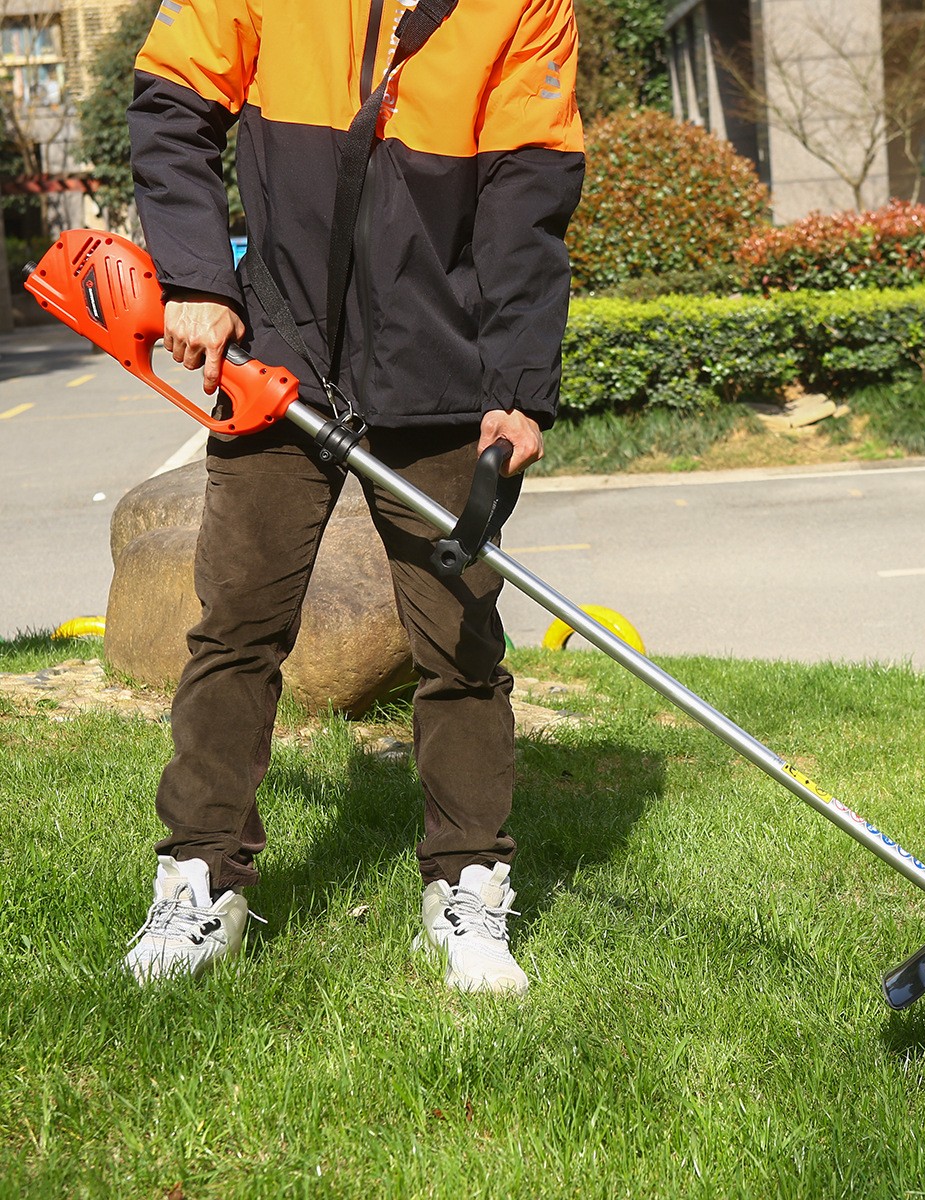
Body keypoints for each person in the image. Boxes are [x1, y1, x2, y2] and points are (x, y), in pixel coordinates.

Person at [120, 0, 585, 993]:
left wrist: (514, 390)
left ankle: (469, 886)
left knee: (459, 645)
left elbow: (526, 201)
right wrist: (199, 277)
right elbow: (171, 102)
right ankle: (201, 874)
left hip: (439, 368)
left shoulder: (525, 6)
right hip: (279, 354)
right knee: (238, 624)